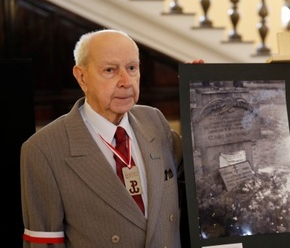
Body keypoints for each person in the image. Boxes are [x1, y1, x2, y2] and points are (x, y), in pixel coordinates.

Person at [20, 28, 204, 247]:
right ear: (82, 77)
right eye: (110, 70)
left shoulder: (154, 121)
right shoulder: (43, 150)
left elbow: (200, 172)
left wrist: (200, 101)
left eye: (132, 68)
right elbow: (45, 243)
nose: (126, 81)